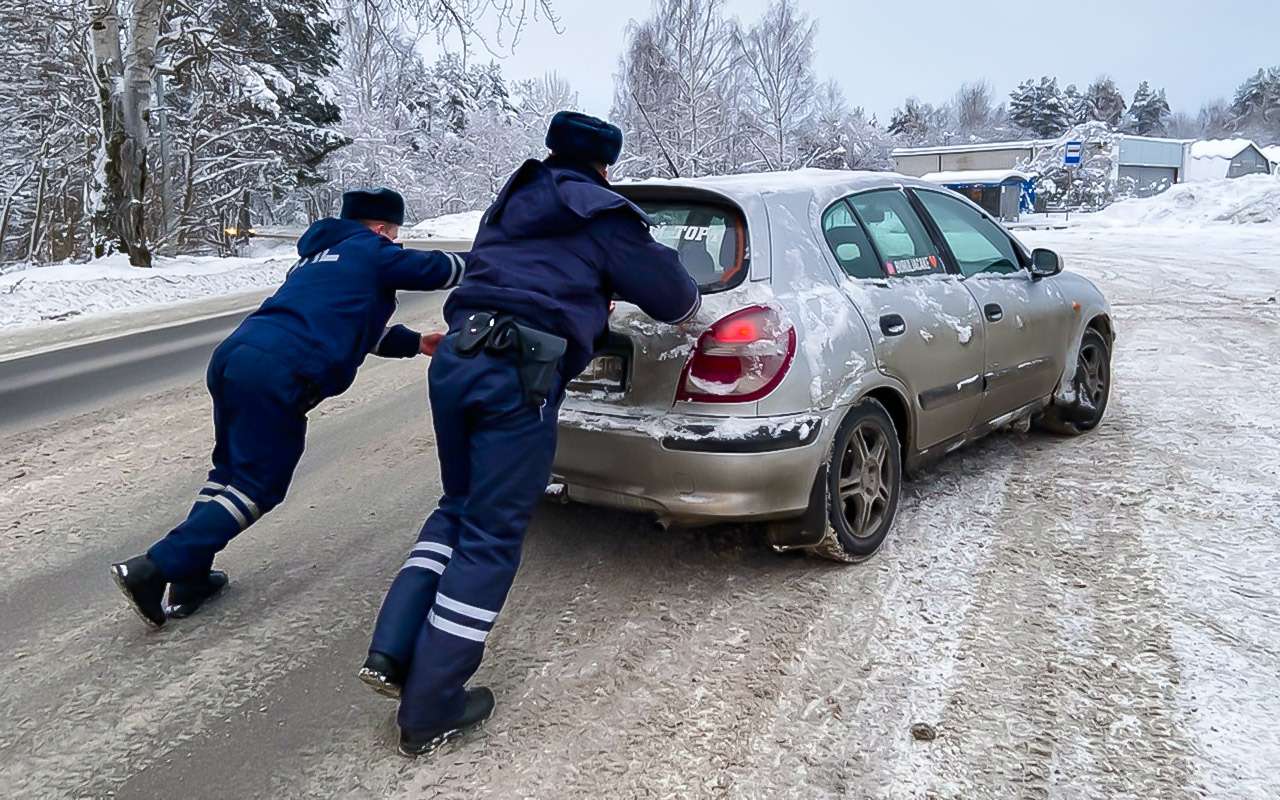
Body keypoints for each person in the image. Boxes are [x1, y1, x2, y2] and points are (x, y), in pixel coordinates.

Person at [360, 112, 702, 757]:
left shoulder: (512, 200)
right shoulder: (602, 211)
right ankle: (430, 710)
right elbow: (674, 297)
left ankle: (395, 649)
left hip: (458, 357)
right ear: (605, 166)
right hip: (517, 372)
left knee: (457, 510)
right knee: (492, 537)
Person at [110, 188, 466, 629]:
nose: (394, 242)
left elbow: (349, 325)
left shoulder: (319, 256)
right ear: (380, 228)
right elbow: (437, 269)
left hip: (236, 356)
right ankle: (154, 567)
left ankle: (190, 575)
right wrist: (496, 260)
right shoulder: (369, 249)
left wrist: (415, 342)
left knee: (229, 473)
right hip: (280, 370)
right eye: (393, 234)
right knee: (260, 485)